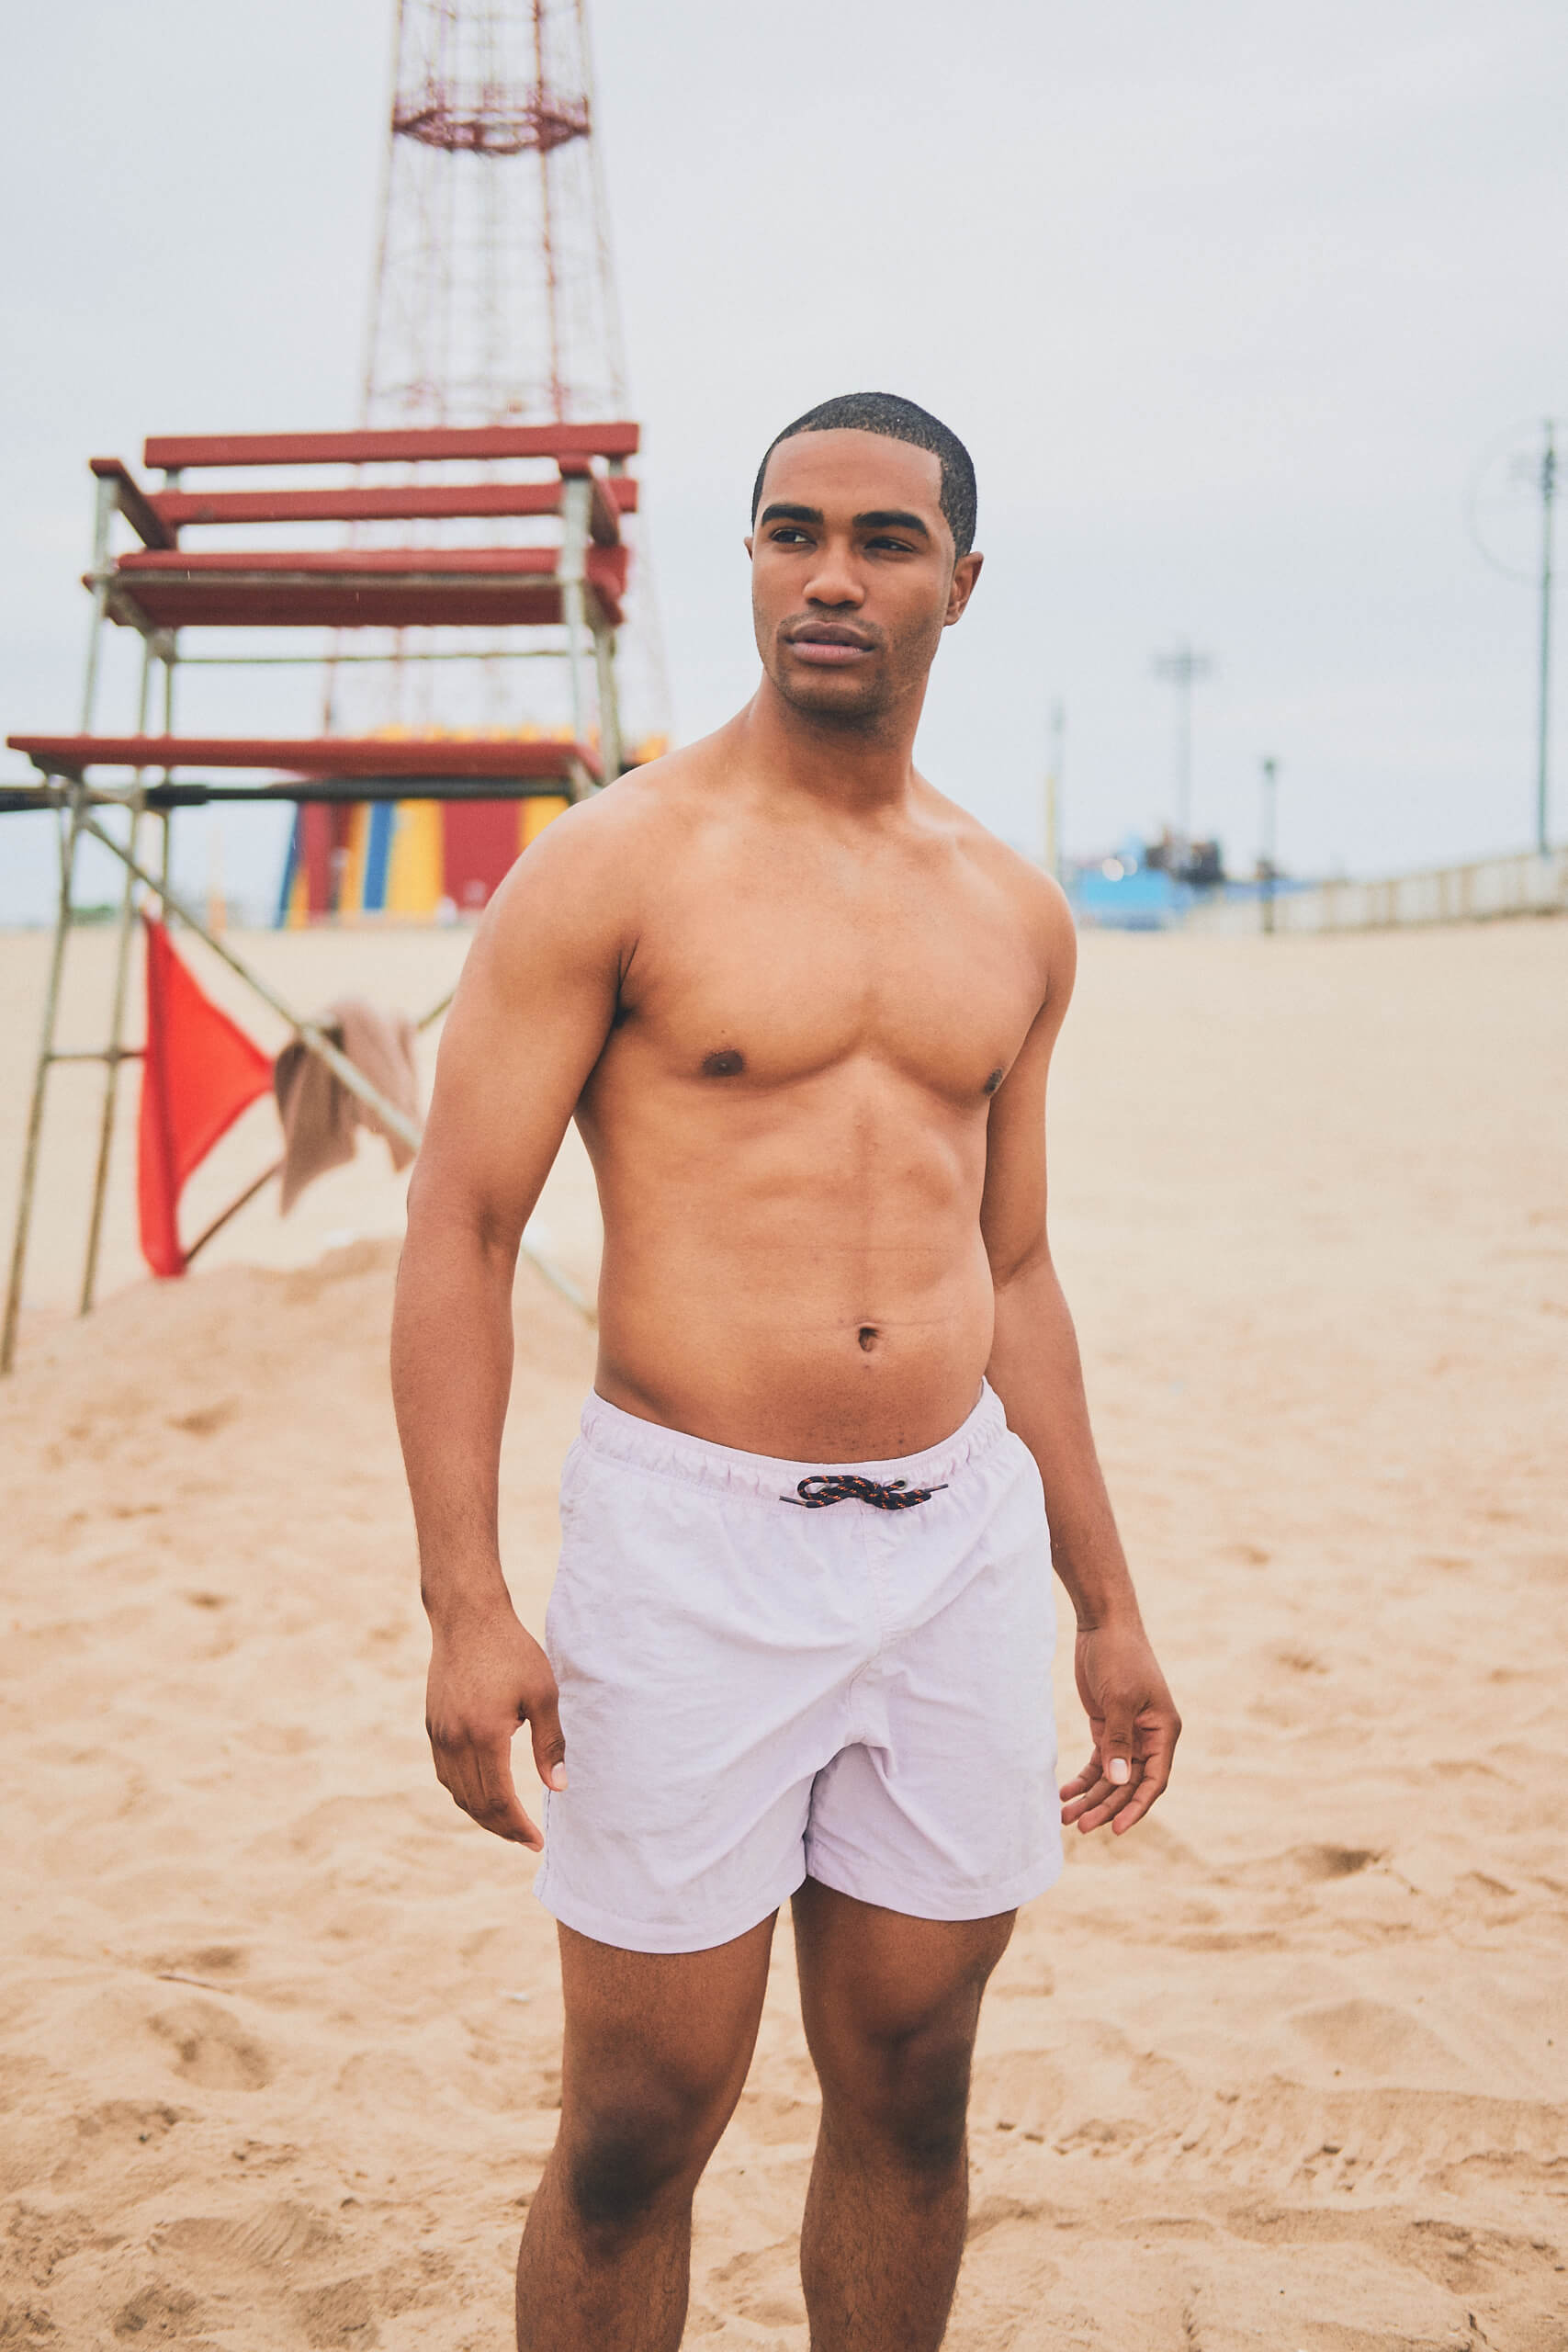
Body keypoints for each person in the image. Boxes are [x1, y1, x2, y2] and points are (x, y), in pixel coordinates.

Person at [391, 390, 1181, 2352]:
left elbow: (1012, 1262)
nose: (829, 572)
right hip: (687, 1548)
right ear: (746, 560)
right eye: (788, 529)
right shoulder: (614, 867)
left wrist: (1107, 1601)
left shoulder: (1011, 909)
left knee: (912, 2083)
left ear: (957, 584)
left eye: (881, 540)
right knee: (636, 2124)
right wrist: (465, 1596)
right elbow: (461, 1229)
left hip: (949, 1553)